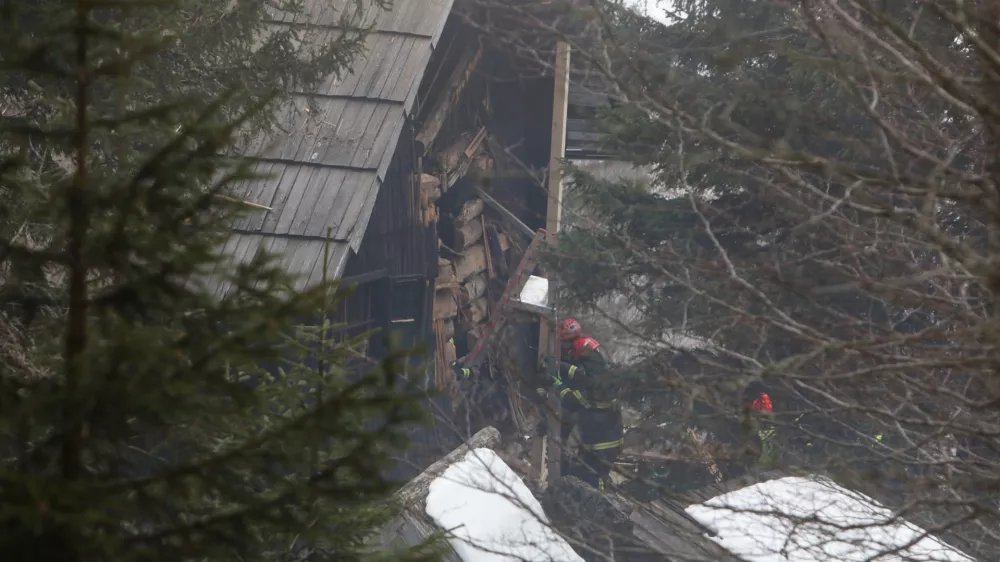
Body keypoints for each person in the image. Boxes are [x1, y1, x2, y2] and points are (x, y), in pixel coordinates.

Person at [537, 318, 624, 491]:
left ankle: (600, 509)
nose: (565, 348)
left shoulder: (595, 385)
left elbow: (573, 402)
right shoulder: (595, 371)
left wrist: (557, 385)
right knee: (583, 475)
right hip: (596, 440)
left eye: (566, 344)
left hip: (603, 444)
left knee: (594, 481)